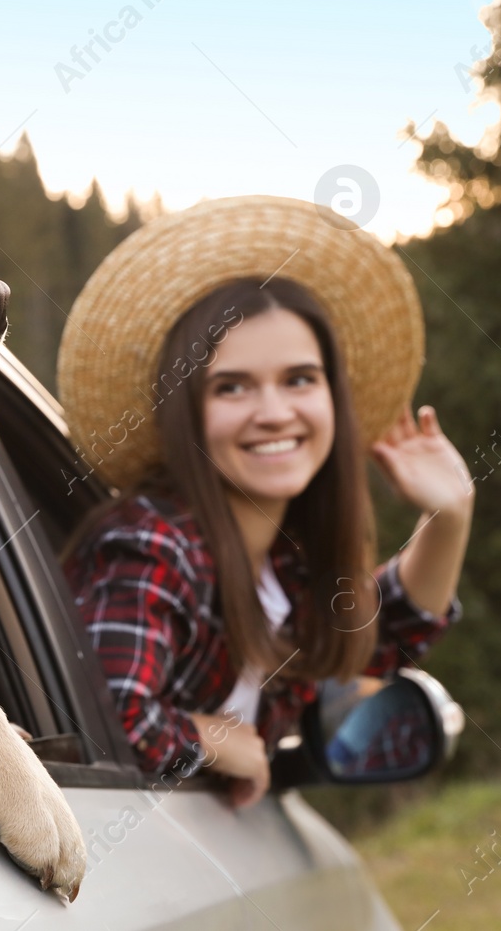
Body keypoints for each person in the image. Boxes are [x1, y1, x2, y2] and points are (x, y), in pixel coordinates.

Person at [56, 196, 474, 807]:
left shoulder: (286, 566)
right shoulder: (151, 545)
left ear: (333, 396)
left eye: (300, 379)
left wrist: (450, 516)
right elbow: (103, 719)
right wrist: (214, 740)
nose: (275, 413)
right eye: (232, 387)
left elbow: (376, 639)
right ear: (188, 412)